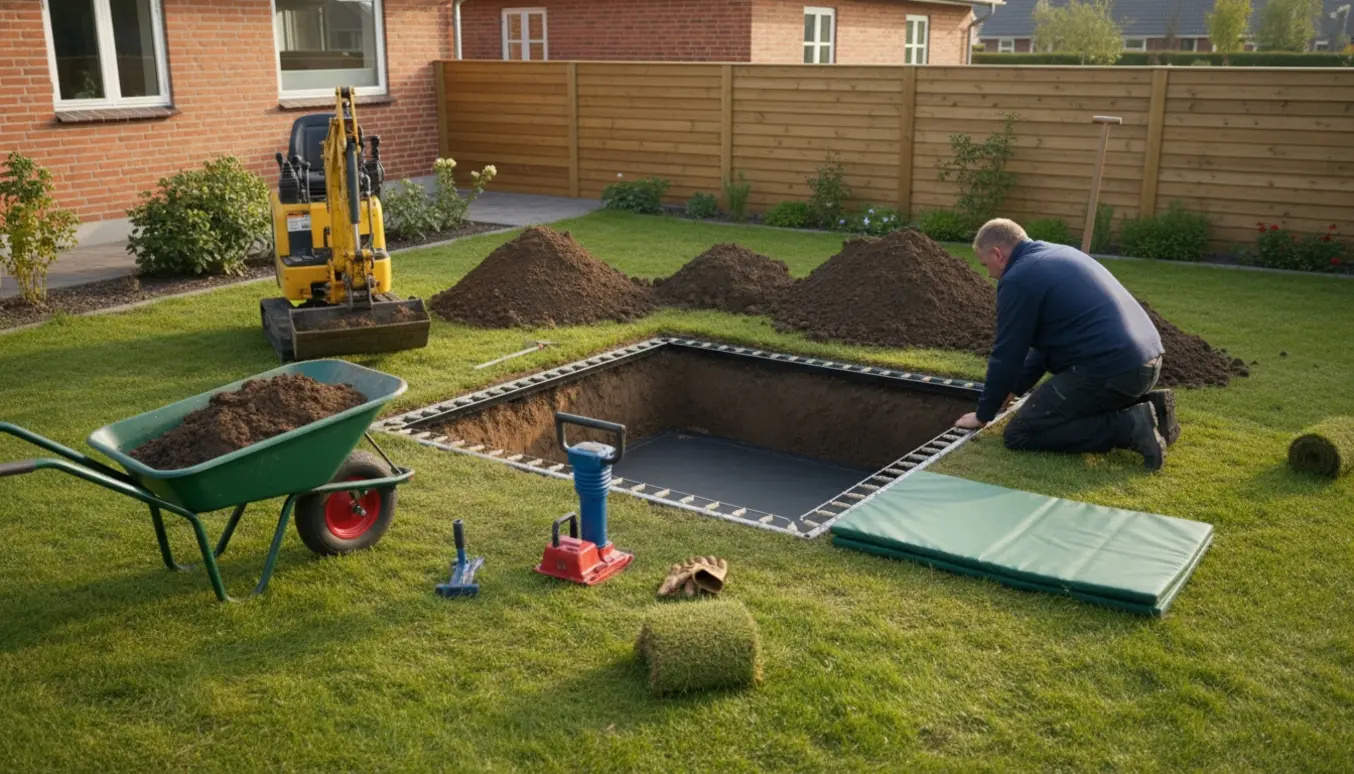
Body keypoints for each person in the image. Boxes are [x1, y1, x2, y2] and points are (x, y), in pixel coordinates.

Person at [955, 218, 1180, 471]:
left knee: (1021, 433)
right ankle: (1155, 409)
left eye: (986, 265)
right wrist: (1014, 388)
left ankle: (1128, 426)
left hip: (1113, 371)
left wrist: (984, 414)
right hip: (1147, 363)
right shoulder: (1059, 253)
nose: (989, 274)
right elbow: (1042, 348)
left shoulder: (1018, 278)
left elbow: (1007, 354)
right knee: (1069, 406)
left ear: (998, 253)